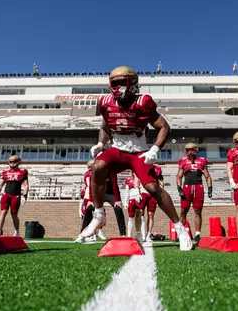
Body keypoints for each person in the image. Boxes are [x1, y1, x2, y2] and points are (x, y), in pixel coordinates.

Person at [79, 66, 193, 251]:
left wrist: (155, 149)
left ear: (132, 84)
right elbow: (105, 127)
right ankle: (99, 215)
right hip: (118, 150)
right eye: (114, 83)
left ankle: (180, 229)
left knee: (153, 187)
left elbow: (164, 127)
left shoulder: (143, 102)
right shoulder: (106, 102)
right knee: (97, 166)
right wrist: (101, 143)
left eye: (121, 83)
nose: (117, 87)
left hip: (139, 151)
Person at [76, 159, 125, 243]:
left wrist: (117, 200)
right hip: (99, 193)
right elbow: (92, 187)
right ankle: (82, 234)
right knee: (89, 208)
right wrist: (91, 200)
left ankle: (123, 234)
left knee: (118, 209)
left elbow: (114, 184)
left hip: (110, 193)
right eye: (89, 168)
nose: (90, 169)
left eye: (91, 166)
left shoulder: (110, 170)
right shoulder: (92, 173)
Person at [176, 142, 213, 245]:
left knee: (198, 211)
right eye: (188, 150)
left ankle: (197, 234)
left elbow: (207, 176)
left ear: (196, 150)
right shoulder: (182, 161)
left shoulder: (202, 161)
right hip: (187, 187)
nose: (190, 152)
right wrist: (179, 188)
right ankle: (180, 233)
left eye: (192, 150)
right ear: (185, 151)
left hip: (198, 187)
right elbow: (179, 176)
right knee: (183, 210)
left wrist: (210, 187)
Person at [0, 155, 29, 236]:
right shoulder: (5, 172)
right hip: (6, 194)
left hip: (15, 195)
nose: (12, 163)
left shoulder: (22, 172)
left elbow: (26, 185)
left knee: (14, 214)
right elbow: (0, 185)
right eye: (10, 162)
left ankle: (16, 231)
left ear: (19, 162)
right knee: (3, 213)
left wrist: (25, 196)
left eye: (14, 161)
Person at [78, 159, 105, 241]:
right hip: (90, 197)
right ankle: (84, 233)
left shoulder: (95, 173)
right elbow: (90, 186)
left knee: (100, 214)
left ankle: (97, 232)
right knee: (90, 216)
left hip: (94, 196)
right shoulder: (89, 174)